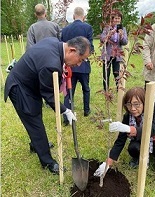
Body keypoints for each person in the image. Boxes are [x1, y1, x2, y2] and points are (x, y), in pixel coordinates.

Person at [4, 36, 91, 174]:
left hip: (31, 85)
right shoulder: (51, 64)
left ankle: (37, 145)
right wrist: (65, 110)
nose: (79, 64)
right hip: (20, 88)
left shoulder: (54, 43)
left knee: (36, 115)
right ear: (72, 50)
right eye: (80, 60)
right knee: (34, 122)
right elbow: (48, 94)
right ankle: (48, 162)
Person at [94, 87, 155, 178]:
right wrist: (108, 163)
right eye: (129, 104)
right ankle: (138, 158)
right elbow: (120, 141)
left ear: (145, 103)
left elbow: (153, 129)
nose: (132, 109)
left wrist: (131, 129)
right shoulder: (128, 116)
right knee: (133, 147)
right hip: (141, 143)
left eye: (136, 104)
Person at [61, 7, 94, 125]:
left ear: (74, 16)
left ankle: (66, 117)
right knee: (86, 89)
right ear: (83, 17)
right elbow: (91, 49)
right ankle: (86, 110)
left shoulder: (65, 30)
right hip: (84, 66)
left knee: (69, 91)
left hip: (69, 66)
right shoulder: (88, 28)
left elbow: (63, 49)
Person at [100, 11, 128, 91]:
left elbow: (125, 42)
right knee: (106, 73)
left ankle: (118, 88)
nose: (117, 20)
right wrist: (110, 34)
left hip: (117, 54)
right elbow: (102, 39)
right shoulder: (107, 28)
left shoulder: (123, 29)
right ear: (112, 19)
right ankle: (106, 89)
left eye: (119, 18)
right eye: (115, 18)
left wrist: (121, 35)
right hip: (107, 54)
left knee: (116, 73)